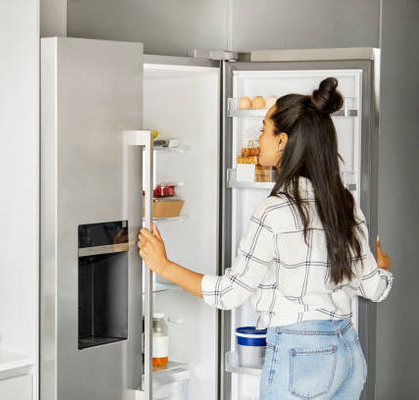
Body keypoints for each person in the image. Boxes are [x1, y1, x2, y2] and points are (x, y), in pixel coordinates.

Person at [138, 77, 393, 399]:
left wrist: (163, 266)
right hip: (347, 351)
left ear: (282, 140)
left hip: (300, 354)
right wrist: (382, 267)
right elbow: (374, 287)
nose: (259, 140)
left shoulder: (274, 210)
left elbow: (230, 293)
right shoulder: (343, 201)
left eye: (263, 130)